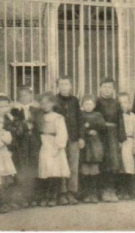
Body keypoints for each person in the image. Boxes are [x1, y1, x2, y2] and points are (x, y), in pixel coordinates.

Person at [37, 92, 71, 207]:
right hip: (44, 144)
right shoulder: (39, 117)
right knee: (45, 171)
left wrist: (57, 146)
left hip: (54, 145)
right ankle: (45, 196)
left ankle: (53, 197)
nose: (45, 105)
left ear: (53, 103)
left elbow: (62, 133)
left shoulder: (58, 117)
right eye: (43, 103)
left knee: (55, 172)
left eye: (48, 102)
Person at [54, 76, 83, 205]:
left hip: (73, 137)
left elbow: (80, 120)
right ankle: (62, 193)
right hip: (59, 139)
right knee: (61, 165)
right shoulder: (54, 100)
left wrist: (81, 137)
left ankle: (72, 192)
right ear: (58, 86)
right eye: (61, 84)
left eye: (67, 84)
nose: (64, 87)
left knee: (73, 166)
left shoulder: (75, 101)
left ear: (71, 86)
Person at [96, 77, 125, 202]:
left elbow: (120, 120)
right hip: (101, 135)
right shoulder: (97, 102)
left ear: (113, 89)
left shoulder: (116, 103)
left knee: (113, 162)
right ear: (100, 88)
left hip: (113, 135)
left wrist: (120, 138)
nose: (107, 89)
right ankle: (103, 191)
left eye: (109, 87)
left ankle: (111, 190)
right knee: (103, 162)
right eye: (104, 87)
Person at [11, 87, 40, 207]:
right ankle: (23, 197)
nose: (24, 98)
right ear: (18, 98)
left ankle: (33, 196)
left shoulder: (36, 110)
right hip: (21, 142)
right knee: (23, 167)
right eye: (21, 96)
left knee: (34, 166)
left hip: (33, 141)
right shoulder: (15, 111)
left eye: (26, 95)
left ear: (31, 96)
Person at [79, 94, 106, 203]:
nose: (88, 106)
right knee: (85, 169)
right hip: (84, 144)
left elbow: (102, 126)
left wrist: (91, 126)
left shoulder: (98, 114)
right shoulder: (80, 115)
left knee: (94, 168)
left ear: (94, 105)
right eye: (86, 104)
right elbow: (79, 127)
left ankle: (94, 193)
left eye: (90, 104)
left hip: (95, 143)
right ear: (82, 105)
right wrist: (86, 131)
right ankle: (86, 193)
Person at [118, 92, 135, 198]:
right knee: (120, 167)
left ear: (129, 103)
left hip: (130, 142)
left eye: (125, 102)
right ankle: (121, 190)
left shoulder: (133, 116)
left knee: (129, 167)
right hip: (120, 143)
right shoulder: (117, 116)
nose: (123, 104)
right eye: (121, 102)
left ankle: (128, 190)